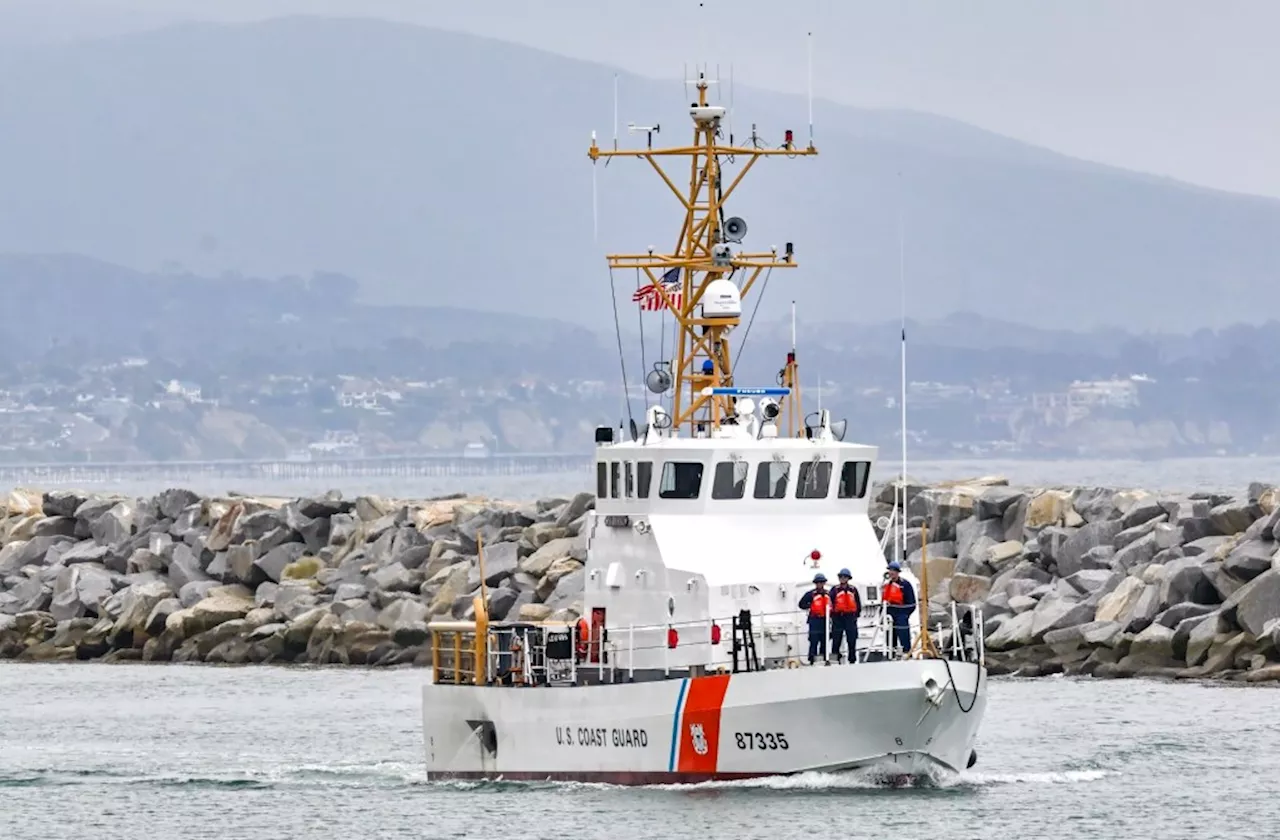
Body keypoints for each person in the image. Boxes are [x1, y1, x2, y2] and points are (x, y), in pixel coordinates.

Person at [882, 562, 916, 654]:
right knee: (890, 638)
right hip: (889, 614)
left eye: (893, 570)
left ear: (897, 572)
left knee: (904, 636)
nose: (891, 572)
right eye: (890, 570)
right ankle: (890, 653)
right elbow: (882, 602)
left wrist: (904, 614)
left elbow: (912, 603)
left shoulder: (905, 585)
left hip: (901, 614)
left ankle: (906, 653)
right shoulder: (885, 585)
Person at [828, 568, 861, 663]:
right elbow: (830, 602)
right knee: (836, 639)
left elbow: (858, 603)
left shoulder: (853, 590)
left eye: (845, 577)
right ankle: (834, 659)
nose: (842, 578)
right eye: (841, 577)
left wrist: (856, 616)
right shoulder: (834, 590)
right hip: (838, 617)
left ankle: (852, 660)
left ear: (848, 578)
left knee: (852, 639)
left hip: (850, 617)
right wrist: (832, 616)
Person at [797, 572, 831, 664]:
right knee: (814, 641)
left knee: (824, 641)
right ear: (815, 583)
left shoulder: (828, 594)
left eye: (821, 582)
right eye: (818, 582)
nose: (820, 584)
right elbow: (801, 604)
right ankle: (812, 659)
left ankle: (824, 658)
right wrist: (810, 606)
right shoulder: (810, 594)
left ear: (824, 583)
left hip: (825, 620)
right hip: (814, 620)